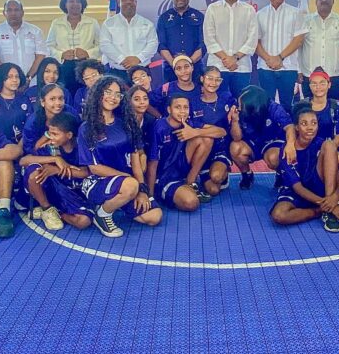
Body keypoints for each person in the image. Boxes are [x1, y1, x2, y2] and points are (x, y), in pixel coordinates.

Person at [75, 76, 162, 238]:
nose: (113, 98)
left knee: (154, 216)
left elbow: (135, 160)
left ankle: (119, 202)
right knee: (129, 186)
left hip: (127, 183)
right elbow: (94, 168)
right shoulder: (86, 128)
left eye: (117, 94)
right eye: (108, 92)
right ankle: (102, 213)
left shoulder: (126, 123)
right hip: (97, 181)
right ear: (98, 94)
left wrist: (142, 190)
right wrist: (129, 180)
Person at [271, 103, 339, 233]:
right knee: (279, 215)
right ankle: (321, 211)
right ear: (296, 127)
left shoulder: (322, 145)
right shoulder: (287, 151)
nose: (310, 128)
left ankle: (329, 210)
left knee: (330, 144)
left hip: (321, 190)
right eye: (304, 124)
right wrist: (327, 204)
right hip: (298, 192)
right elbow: (297, 188)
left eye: (314, 123)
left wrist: (335, 197)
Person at [19, 111, 92, 232]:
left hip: (72, 192)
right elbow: (23, 160)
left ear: (69, 135)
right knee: (35, 170)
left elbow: (87, 172)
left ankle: (58, 213)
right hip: (53, 190)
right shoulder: (51, 146)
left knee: (83, 221)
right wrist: (55, 159)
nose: (50, 138)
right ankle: (47, 208)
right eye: (49, 134)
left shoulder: (81, 148)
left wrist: (58, 170)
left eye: (54, 134)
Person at [145, 95, 206, 212]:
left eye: (185, 107)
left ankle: (190, 182)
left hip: (179, 171)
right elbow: (152, 164)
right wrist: (150, 196)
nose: (182, 111)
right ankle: (163, 193)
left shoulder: (188, 124)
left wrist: (195, 132)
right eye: (178, 107)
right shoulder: (159, 127)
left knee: (204, 139)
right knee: (191, 203)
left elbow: (220, 131)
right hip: (164, 177)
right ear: (169, 109)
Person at [202, 0, 259, 98]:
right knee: (217, 103)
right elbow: (209, 38)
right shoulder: (212, 9)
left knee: (240, 104)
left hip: (241, 67)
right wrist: (226, 58)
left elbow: (252, 39)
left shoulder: (248, 10)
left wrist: (235, 58)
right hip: (217, 68)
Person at [229, 85, 294, 190]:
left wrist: (290, 145)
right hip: (252, 142)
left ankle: (281, 173)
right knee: (235, 147)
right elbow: (237, 138)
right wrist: (235, 121)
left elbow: (289, 126)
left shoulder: (273, 107)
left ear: (254, 105)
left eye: (242, 104)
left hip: (272, 141)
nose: (239, 107)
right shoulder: (239, 111)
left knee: (273, 158)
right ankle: (247, 175)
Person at [255, 0, 309, 105]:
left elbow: (298, 40)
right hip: (265, 68)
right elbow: (255, 42)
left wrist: (279, 58)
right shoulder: (259, 15)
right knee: (266, 105)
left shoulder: (296, 13)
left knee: (287, 105)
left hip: (288, 68)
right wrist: (269, 59)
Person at [188, 66, 235, 195]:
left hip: (221, 148)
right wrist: (207, 132)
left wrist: (196, 132)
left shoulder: (226, 98)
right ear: (202, 78)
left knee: (216, 177)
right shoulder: (193, 102)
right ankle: (198, 174)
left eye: (217, 80)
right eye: (210, 78)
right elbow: (193, 127)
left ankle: (223, 172)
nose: (213, 83)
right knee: (213, 190)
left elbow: (223, 132)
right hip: (202, 150)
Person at [46, 0, 101, 92]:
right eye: (71, 1)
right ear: (65, 5)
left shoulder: (92, 22)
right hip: (64, 66)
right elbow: (48, 46)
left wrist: (88, 53)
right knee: (65, 94)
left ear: (82, 5)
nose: (75, 4)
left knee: (87, 94)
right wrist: (61, 54)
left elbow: (101, 45)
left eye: (78, 1)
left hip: (87, 65)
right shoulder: (56, 23)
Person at [299, 0, 339, 99]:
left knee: (333, 108)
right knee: (309, 109)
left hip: (335, 75)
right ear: (316, 2)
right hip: (309, 74)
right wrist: (299, 70)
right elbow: (299, 47)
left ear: (333, 1)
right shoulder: (306, 21)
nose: (324, 0)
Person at [100, 0, 159, 81]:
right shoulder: (108, 24)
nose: (128, 2)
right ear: (119, 1)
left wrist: (138, 59)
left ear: (136, 2)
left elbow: (153, 44)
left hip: (142, 71)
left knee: (143, 96)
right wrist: (122, 60)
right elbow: (105, 45)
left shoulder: (147, 24)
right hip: (116, 73)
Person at [156, 0, 206, 85]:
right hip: (170, 68)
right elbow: (161, 44)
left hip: (195, 68)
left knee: (196, 97)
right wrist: (175, 64)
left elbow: (204, 43)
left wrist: (189, 64)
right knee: (172, 99)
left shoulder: (199, 16)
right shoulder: (163, 18)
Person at [0, 0, 47, 83]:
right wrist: (8, 77)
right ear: (4, 13)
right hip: (4, 83)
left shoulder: (35, 31)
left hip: (32, 82)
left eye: (16, 10)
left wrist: (28, 77)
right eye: (9, 10)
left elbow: (40, 56)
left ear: (22, 12)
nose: (13, 13)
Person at [21, 84, 75, 155]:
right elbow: (30, 150)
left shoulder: (70, 112)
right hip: (41, 157)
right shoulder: (33, 121)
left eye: (61, 98)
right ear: (42, 102)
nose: (58, 103)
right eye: (52, 99)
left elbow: (78, 138)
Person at [0, 63, 29, 143]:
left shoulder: (24, 99)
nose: (15, 80)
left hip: (20, 145)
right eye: (10, 77)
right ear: (1, 78)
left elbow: (29, 125)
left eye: (17, 76)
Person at [302, 68, 339, 143]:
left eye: (322, 83)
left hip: (330, 146)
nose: (318, 87)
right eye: (314, 84)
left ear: (329, 85)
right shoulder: (301, 106)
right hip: (306, 145)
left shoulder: (336, 106)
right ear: (309, 86)